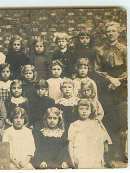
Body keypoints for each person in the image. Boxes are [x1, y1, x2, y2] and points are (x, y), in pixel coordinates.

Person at [95, 21, 127, 162]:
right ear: (105, 34)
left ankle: (122, 153)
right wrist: (110, 79)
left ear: (118, 33)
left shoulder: (125, 49)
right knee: (108, 118)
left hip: (122, 85)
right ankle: (109, 154)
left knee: (121, 118)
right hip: (105, 86)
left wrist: (119, 80)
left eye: (113, 31)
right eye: (108, 31)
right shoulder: (100, 50)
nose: (111, 33)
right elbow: (96, 70)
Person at [68, 99, 112, 168]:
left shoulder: (95, 124)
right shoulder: (74, 125)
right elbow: (70, 144)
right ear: (77, 110)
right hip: (79, 156)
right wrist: (72, 159)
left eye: (87, 109)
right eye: (81, 109)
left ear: (91, 110)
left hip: (93, 156)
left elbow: (100, 143)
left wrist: (101, 158)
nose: (84, 111)